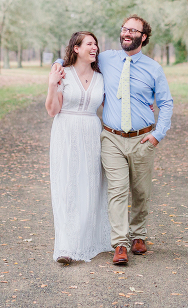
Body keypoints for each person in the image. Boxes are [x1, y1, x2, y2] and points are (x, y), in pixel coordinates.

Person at [53, 15, 173, 265]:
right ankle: (120, 242)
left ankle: (139, 234)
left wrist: (157, 135)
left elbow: (165, 103)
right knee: (116, 190)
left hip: (142, 138)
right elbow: (75, 60)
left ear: (144, 37)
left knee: (141, 192)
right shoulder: (107, 59)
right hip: (111, 138)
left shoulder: (153, 68)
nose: (127, 33)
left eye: (133, 30)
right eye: (124, 29)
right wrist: (56, 65)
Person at [45, 31, 112, 264]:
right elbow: (53, 110)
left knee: (91, 184)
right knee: (67, 186)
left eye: (96, 44)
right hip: (66, 131)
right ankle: (65, 246)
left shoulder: (102, 77)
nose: (94, 48)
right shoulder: (63, 74)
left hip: (92, 131)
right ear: (76, 48)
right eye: (89, 44)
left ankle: (87, 240)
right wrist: (52, 85)